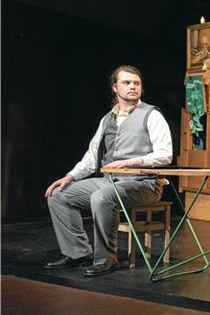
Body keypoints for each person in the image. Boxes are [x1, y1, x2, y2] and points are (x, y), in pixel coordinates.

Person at [45, 65, 173, 277]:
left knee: (101, 197)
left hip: (144, 184)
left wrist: (132, 162)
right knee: (58, 195)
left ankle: (106, 260)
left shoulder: (151, 115)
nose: (133, 86)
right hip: (110, 180)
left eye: (137, 83)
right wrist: (69, 177)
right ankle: (78, 253)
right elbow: (91, 155)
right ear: (115, 87)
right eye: (127, 82)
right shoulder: (107, 119)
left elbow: (165, 154)